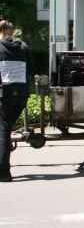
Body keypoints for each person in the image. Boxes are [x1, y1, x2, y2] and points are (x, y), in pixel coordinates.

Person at [0, 20, 33, 182]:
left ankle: (4, 172)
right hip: (22, 94)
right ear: (11, 31)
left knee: (3, 131)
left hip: (4, 94)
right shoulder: (23, 46)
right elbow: (31, 69)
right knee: (5, 129)